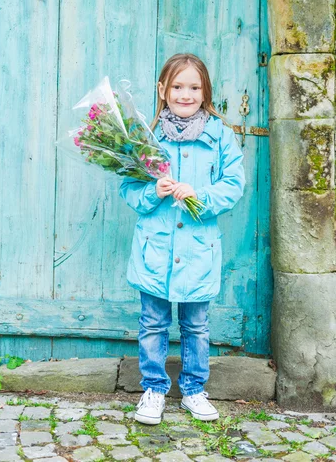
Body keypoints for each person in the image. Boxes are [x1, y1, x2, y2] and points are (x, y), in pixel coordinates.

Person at [119, 53, 246, 425]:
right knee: (153, 322)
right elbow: (129, 187)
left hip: (197, 248)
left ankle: (193, 389)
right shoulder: (147, 137)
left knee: (196, 325)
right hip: (155, 247)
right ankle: (154, 389)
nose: (185, 94)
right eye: (177, 86)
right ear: (163, 90)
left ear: (205, 90)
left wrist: (201, 196)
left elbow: (234, 183)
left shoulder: (220, 135)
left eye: (193, 87)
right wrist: (152, 191)